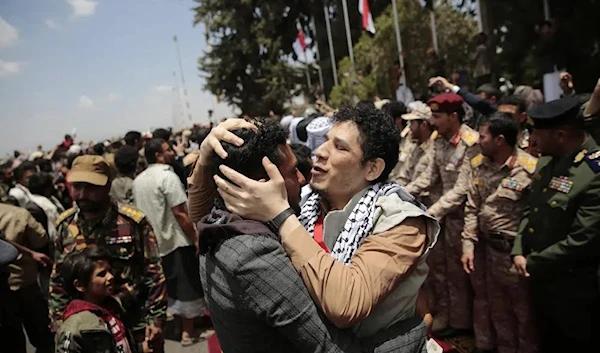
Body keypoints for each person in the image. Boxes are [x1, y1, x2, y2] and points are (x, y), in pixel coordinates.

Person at [194, 118, 434, 352]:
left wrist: (281, 215)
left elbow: (346, 305)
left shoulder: (401, 219)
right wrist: (205, 158)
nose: (319, 151)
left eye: (339, 147)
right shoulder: (308, 201)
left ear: (372, 168)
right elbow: (206, 216)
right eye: (326, 141)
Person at [49, 155, 167, 353]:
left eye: (91, 188)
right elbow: (58, 280)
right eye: (77, 187)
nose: (82, 194)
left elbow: (154, 272)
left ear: (107, 186)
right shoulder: (65, 226)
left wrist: (156, 319)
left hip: (133, 320)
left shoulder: (132, 222)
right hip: (90, 328)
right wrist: (60, 322)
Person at [511, 97, 600, 353]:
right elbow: (531, 207)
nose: (532, 141)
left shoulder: (592, 173)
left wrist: (532, 262)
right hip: (539, 279)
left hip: (574, 289)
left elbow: (583, 240)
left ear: (560, 135)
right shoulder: (548, 160)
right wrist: (518, 248)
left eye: (537, 134)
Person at [405, 94, 490, 349]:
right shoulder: (439, 140)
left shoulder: (471, 142)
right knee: (441, 270)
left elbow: (463, 188)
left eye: (438, 117)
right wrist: (403, 193)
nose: (433, 121)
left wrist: (432, 211)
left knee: (463, 275)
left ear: (454, 117)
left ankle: (465, 323)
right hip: (442, 217)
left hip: (464, 218)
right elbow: (429, 176)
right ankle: (449, 316)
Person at [461, 113, 539, 353]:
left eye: (483, 136)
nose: (477, 140)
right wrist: (468, 245)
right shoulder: (479, 165)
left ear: (499, 140)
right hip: (487, 251)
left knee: (524, 316)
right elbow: (472, 207)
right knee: (498, 312)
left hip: (515, 256)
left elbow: (537, 214)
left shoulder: (530, 169)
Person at [132, 138, 204, 346]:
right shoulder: (167, 177)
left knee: (171, 287)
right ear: (158, 156)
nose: (172, 152)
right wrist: (195, 236)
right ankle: (187, 333)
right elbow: (180, 214)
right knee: (186, 286)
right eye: (167, 150)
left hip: (154, 244)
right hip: (175, 240)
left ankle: (181, 326)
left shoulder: (139, 180)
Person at [56, 248, 146, 353]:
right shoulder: (73, 329)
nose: (111, 277)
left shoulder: (113, 308)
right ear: (80, 285)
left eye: (109, 271)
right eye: (101, 274)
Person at [0, 202, 54, 353]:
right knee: (42, 335)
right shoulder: (20, 214)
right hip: (24, 282)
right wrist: (32, 253)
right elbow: (41, 238)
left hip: (7, 286)